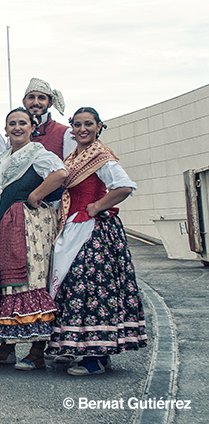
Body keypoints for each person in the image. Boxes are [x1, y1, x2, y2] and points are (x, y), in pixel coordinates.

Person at [48, 107, 146, 375]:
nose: (82, 129)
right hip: (72, 225)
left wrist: (97, 206)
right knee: (72, 287)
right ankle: (78, 348)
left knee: (91, 289)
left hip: (93, 231)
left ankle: (96, 357)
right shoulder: (73, 158)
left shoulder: (101, 157)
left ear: (99, 126)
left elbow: (124, 187)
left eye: (88, 124)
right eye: (77, 124)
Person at [0, 108, 67, 371]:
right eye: (12, 124)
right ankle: (7, 348)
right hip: (5, 221)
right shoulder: (3, 157)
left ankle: (37, 350)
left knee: (31, 277)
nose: (17, 128)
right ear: (5, 129)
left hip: (31, 222)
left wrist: (36, 195)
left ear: (32, 128)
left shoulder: (39, 154)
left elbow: (60, 174)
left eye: (22, 123)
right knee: (8, 280)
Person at [23, 78, 74, 159]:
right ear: (24, 102)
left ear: (50, 103)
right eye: (31, 97)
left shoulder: (65, 133)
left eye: (41, 98)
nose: (36, 102)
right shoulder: (16, 132)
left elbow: (70, 167)